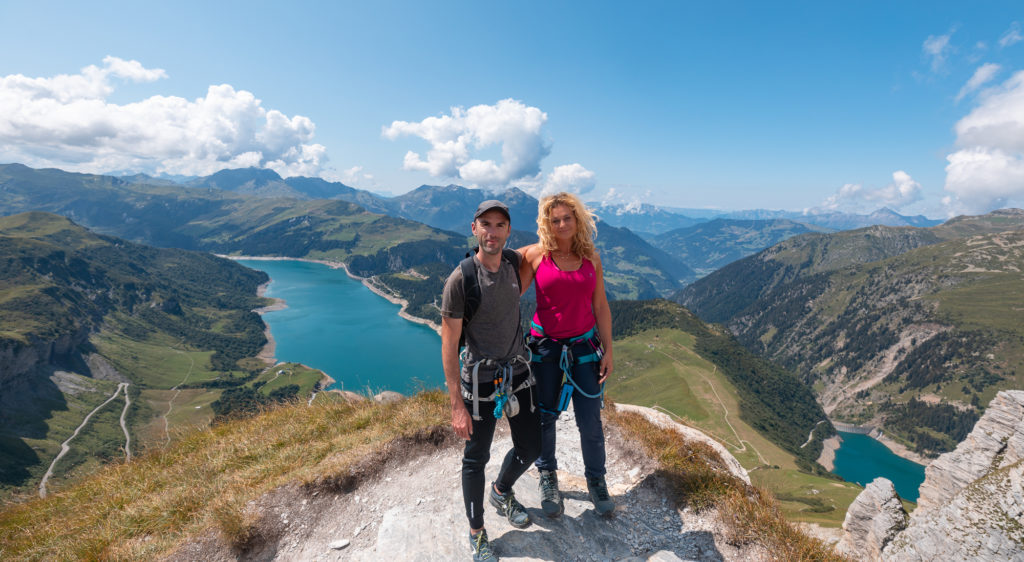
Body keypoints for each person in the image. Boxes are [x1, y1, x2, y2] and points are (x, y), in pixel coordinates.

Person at [441, 200, 542, 562]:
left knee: (532, 446)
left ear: (508, 231)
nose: (492, 231)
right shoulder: (462, 279)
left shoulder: (514, 262)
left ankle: (501, 491)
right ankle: (477, 532)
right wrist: (456, 406)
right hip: (480, 382)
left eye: (500, 225)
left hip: (517, 371)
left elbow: (540, 246)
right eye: (486, 224)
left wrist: (563, 223)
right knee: (475, 457)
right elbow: (449, 346)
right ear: (474, 228)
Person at [517, 192, 615, 518]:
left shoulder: (592, 259)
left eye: (566, 218)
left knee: (590, 421)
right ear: (547, 223)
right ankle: (547, 476)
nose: (561, 224)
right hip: (545, 348)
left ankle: (596, 480)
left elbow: (600, 305)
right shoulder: (535, 256)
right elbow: (508, 286)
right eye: (554, 219)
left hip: (584, 348)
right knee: (545, 417)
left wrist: (609, 350)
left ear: (577, 221)